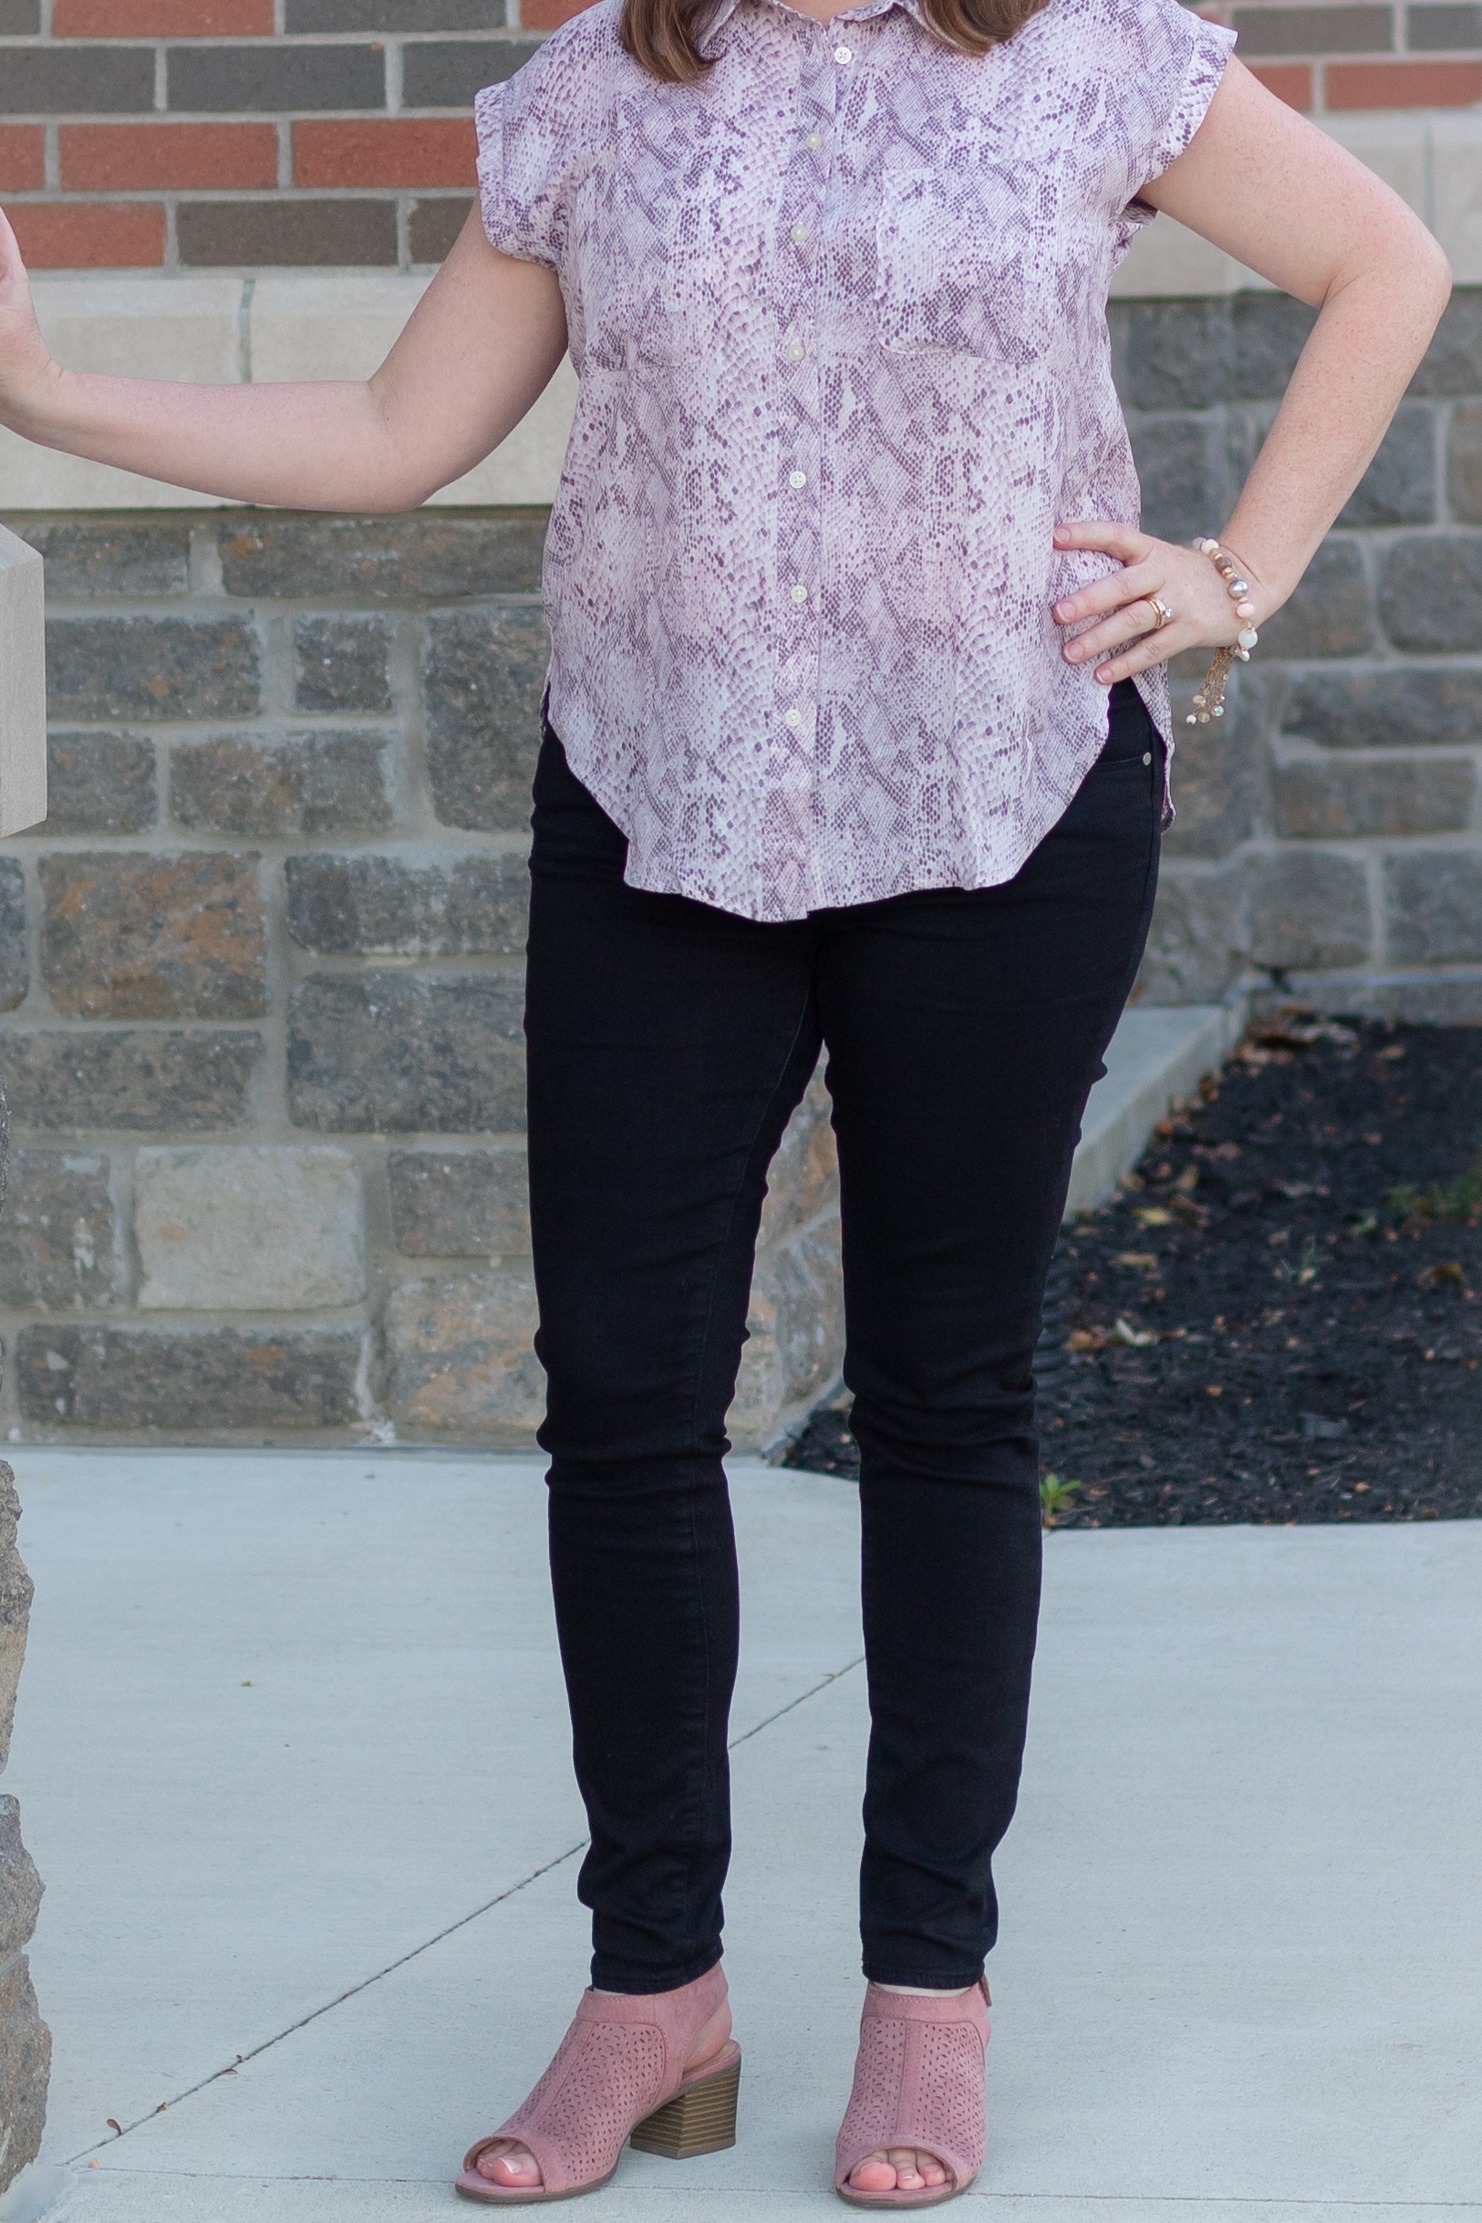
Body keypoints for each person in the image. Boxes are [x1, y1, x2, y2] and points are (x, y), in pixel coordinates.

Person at [0, 0, 1448, 2198]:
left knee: (947, 1395)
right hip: (655, 809)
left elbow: (1388, 255)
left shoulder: (1087, 57)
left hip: (1004, 797)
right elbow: (397, 431)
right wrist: (37, 389)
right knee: (622, 1400)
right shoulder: (597, 88)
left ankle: (928, 1987)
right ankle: (652, 1983)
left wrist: (1229, 579)